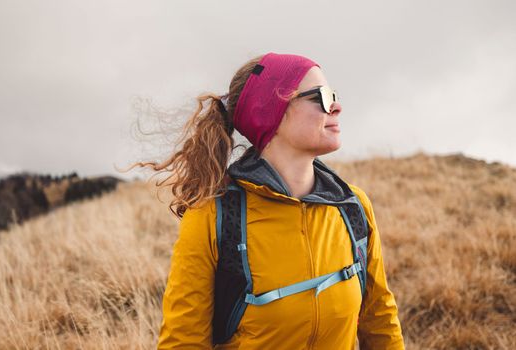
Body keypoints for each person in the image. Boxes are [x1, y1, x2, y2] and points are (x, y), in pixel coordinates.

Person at [147, 52, 404, 349]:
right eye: (320, 96)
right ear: (272, 111)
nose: (336, 106)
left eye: (333, 94)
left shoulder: (353, 206)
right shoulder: (212, 215)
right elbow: (183, 342)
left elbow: (380, 318)